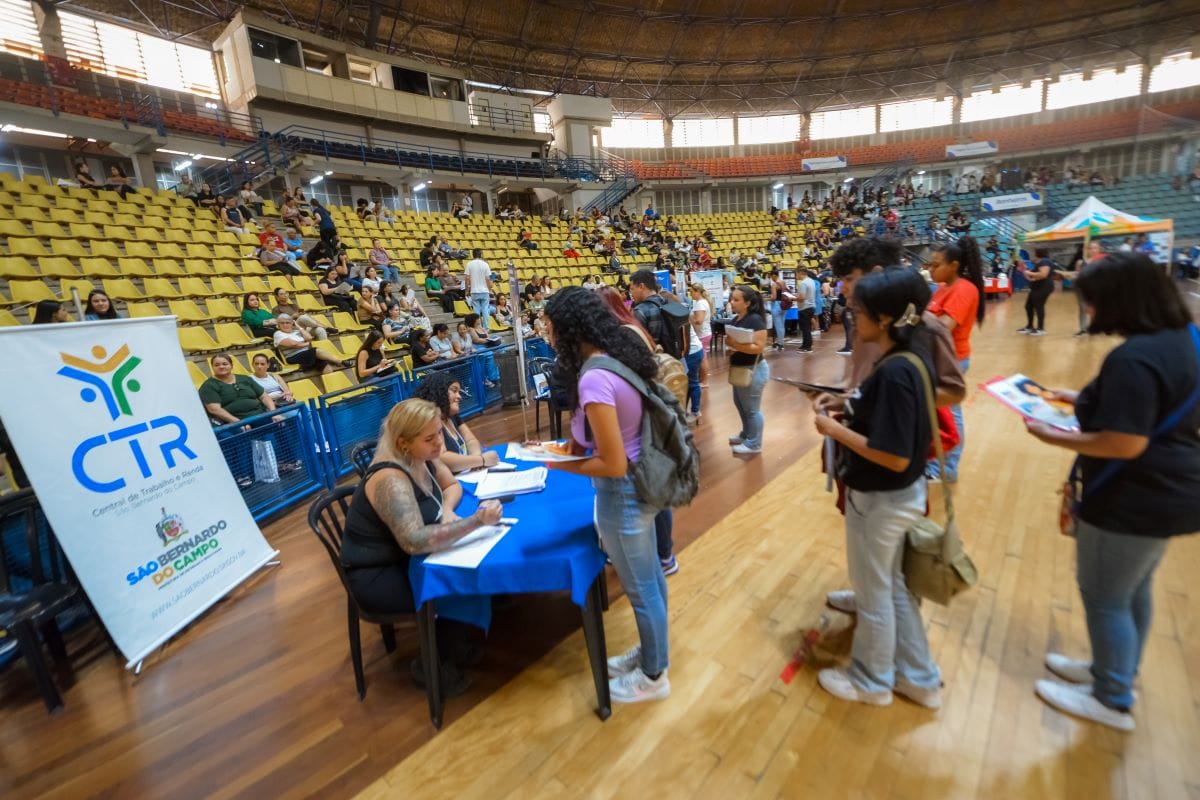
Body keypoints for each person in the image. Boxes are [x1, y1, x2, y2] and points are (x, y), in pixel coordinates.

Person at [1025, 253, 1200, 731]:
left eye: (1094, 302)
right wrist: (1079, 398)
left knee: (1104, 595)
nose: (1091, 312)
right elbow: (1152, 406)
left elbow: (1126, 441)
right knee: (1132, 591)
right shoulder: (1184, 339)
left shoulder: (1135, 357)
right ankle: (1115, 670)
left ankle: (1110, 698)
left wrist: (1054, 436)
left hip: (1133, 496)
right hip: (1173, 490)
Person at [811, 268, 941, 709]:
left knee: (874, 594)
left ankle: (872, 680)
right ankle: (919, 678)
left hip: (885, 496)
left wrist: (833, 428)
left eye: (859, 310)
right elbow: (887, 416)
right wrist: (847, 404)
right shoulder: (908, 357)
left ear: (885, 318)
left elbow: (894, 454)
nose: (851, 315)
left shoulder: (896, 371)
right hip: (899, 496)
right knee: (894, 589)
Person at [540, 287, 671, 703]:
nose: (547, 332)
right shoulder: (613, 359)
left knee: (642, 589)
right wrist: (578, 447)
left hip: (623, 493)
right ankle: (654, 655)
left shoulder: (594, 377)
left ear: (568, 328)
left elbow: (612, 462)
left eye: (550, 325)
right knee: (650, 578)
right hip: (644, 484)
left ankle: (653, 676)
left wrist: (561, 465)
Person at [341, 399, 502, 694]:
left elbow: (451, 486)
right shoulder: (390, 477)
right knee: (456, 579)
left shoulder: (422, 453)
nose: (439, 443)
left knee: (466, 568)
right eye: (430, 438)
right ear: (403, 442)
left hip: (402, 557)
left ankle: (460, 642)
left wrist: (449, 512)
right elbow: (414, 540)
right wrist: (476, 522)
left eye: (440, 433)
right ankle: (435, 664)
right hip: (378, 574)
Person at [925, 235, 985, 483]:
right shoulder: (943, 288)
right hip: (939, 357)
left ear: (954, 265)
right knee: (941, 414)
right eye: (930, 264)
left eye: (936, 264)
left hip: (951, 359)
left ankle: (946, 468)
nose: (931, 268)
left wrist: (916, 315)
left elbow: (942, 327)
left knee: (948, 415)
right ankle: (937, 464)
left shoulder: (963, 289)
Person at [413, 371, 501, 473]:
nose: (459, 396)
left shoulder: (451, 415)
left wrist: (476, 458)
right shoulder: (429, 421)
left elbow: (470, 440)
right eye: (454, 391)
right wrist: (480, 460)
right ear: (439, 392)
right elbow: (442, 458)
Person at [726, 285, 770, 455]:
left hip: (754, 370)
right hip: (740, 369)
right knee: (740, 405)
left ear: (747, 303)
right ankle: (746, 435)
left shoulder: (755, 320)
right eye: (732, 299)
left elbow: (758, 347)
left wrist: (735, 344)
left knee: (752, 409)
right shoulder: (736, 320)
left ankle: (754, 443)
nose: (732, 302)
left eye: (736, 300)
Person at [199, 353, 279, 424]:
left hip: (259, 415)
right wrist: (237, 422)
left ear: (231, 365)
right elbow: (215, 409)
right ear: (212, 367)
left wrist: (273, 413)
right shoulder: (208, 385)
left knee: (285, 419)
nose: (221, 367)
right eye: (217, 365)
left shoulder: (244, 378)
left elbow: (264, 396)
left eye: (225, 364)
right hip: (233, 422)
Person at [630, 270, 684, 359]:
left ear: (641, 286)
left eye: (632, 289)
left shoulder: (640, 311)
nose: (631, 293)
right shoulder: (668, 302)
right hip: (676, 360)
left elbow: (638, 346)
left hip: (656, 363)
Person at [273, 315, 343, 374]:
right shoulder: (278, 334)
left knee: (327, 368)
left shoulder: (296, 331)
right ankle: (340, 361)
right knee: (317, 351)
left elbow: (309, 338)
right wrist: (305, 344)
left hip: (307, 354)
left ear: (292, 324)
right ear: (278, 325)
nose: (285, 325)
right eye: (282, 323)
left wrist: (299, 327)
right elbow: (292, 343)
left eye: (287, 323)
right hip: (293, 356)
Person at [1018, 248, 1054, 335]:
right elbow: (1032, 278)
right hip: (1036, 287)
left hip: (1043, 287)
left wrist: (1029, 273)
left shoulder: (1045, 261)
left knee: (1039, 307)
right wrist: (1025, 272)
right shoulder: (1039, 263)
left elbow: (1043, 274)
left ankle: (1040, 329)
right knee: (1028, 306)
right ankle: (1030, 327)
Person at [455, 320, 500, 388]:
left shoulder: (468, 336)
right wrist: (468, 354)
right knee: (478, 362)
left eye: (464, 329)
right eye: (460, 329)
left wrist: (474, 351)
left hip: (470, 355)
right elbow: (458, 350)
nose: (462, 331)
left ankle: (485, 379)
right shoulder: (455, 337)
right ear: (457, 330)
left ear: (467, 329)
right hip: (462, 357)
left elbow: (471, 347)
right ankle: (481, 380)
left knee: (482, 357)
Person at [464, 248, 493, 332]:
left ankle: (477, 328)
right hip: (484, 291)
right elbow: (488, 279)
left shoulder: (469, 264)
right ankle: (486, 328)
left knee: (476, 310)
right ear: (481, 254)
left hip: (474, 291)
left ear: (473, 254)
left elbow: (467, 278)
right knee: (485, 310)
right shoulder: (485, 265)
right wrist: (489, 289)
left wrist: (467, 290)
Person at [794, 268, 816, 353]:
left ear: (801, 273)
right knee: (806, 328)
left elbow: (802, 298)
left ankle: (807, 347)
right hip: (811, 306)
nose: (796, 276)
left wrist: (792, 298)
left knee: (805, 328)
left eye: (796, 274)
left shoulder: (803, 283)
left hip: (804, 308)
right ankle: (805, 345)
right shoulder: (811, 281)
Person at [767, 270, 788, 350]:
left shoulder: (774, 285)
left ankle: (781, 343)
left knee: (778, 325)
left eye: (771, 276)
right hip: (784, 304)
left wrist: (768, 298)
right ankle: (780, 341)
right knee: (782, 324)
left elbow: (774, 297)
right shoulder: (783, 282)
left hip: (776, 305)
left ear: (774, 275)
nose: (771, 278)